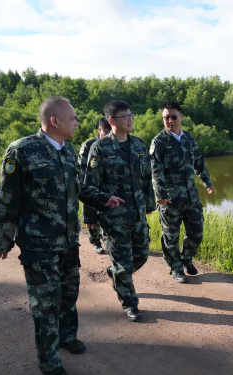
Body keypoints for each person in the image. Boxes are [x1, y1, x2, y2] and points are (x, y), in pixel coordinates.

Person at [0, 96, 123, 375]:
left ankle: (67, 336)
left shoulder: (68, 151)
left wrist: (104, 198)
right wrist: (1, 238)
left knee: (68, 294)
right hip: (39, 244)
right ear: (55, 120)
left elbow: (78, 188)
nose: (77, 122)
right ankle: (49, 362)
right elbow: (6, 198)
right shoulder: (21, 151)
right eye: (72, 118)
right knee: (46, 303)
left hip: (69, 241)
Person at [81, 100, 155, 322]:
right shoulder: (100, 148)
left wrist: (149, 204)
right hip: (114, 219)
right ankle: (130, 304)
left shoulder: (140, 145)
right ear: (112, 121)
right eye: (125, 116)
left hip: (138, 215)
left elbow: (146, 180)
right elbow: (87, 188)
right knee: (124, 264)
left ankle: (115, 273)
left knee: (141, 256)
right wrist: (101, 205)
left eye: (131, 115)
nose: (130, 119)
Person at [149, 100, 214, 283]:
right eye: (166, 117)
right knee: (171, 236)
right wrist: (160, 195)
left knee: (197, 233)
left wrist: (207, 181)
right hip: (170, 200)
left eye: (173, 117)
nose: (170, 121)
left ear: (181, 117)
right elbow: (155, 171)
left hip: (191, 196)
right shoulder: (159, 142)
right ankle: (176, 268)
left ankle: (186, 258)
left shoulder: (188, 138)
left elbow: (199, 162)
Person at [78, 117, 112, 254]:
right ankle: (95, 240)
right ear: (99, 129)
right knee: (93, 215)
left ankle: (108, 240)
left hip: (109, 187)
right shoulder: (89, 145)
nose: (109, 135)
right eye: (106, 132)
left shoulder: (112, 144)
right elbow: (84, 172)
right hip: (92, 185)